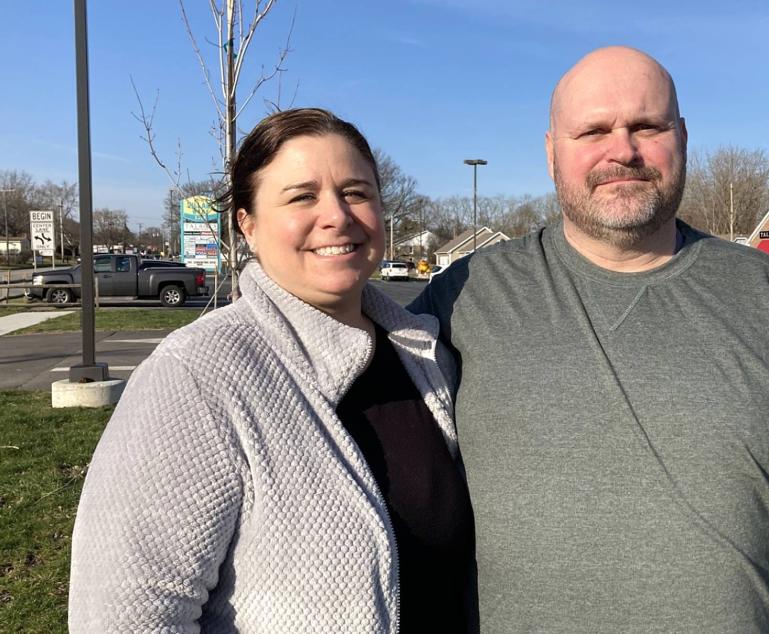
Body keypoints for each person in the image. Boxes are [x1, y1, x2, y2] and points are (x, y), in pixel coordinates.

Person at [410, 47, 769, 632]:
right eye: (592, 130)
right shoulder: (466, 297)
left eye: (647, 126)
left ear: (683, 137)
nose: (623, 150)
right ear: (550, 153)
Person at [70, 108, 476, 633]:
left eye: (356, 192)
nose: (337, 216)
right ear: (249, 224)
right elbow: (125, 618)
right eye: (302, 196)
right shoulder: (195, 377)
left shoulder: (424, 356)